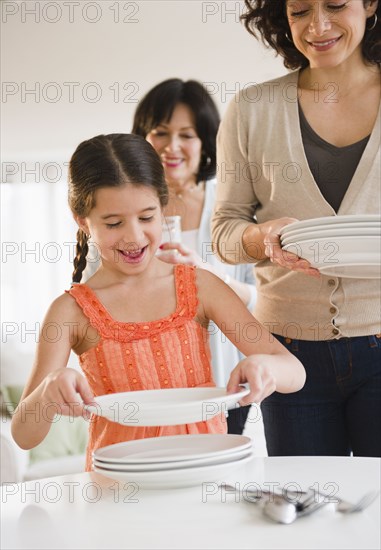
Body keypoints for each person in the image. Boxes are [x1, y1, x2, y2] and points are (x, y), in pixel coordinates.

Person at [11, 134, 306, 469]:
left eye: (147, 217)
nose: (134, 236)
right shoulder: (69, 312)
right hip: (118, 492)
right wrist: (48, 391)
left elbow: (294, 372)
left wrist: (265, 367)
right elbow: (24, 435)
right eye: (113, 223)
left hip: (205, 476)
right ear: (82, 220)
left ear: (163, 208)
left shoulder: (199, 286)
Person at [212, 0, 381, 456]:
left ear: (370, 4)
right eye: (300, 10)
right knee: (307, 507)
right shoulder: (252, 109)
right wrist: (263, 239)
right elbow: (224, 231)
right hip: (286, 352)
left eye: (336, 5)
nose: (318, 26)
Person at [132, 78, 257, 435]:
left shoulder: (231, 206)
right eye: (160, 132)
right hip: (150, 387)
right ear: (142, 138)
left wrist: (206, 275)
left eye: (187, 135)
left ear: (205, 143)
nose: (172, 147)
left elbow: (263, 297)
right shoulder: (123, 207)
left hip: (224, 383)